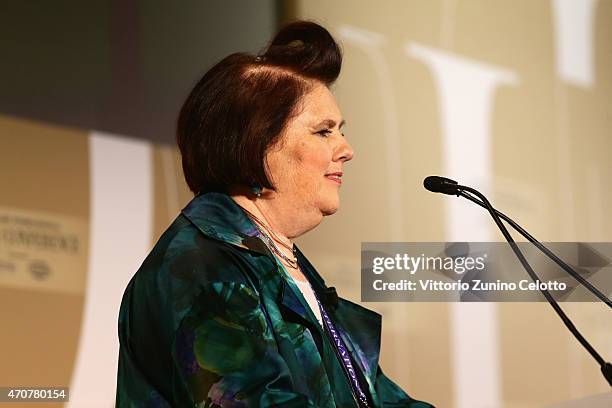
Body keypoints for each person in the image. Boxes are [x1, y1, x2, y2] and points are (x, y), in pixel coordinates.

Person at [116, 20, 433, 408]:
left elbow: (378, 399)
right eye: (324, 132)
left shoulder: (283, 263)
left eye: (341, 130)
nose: (346, 149)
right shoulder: (201, 269)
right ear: (258, 143)